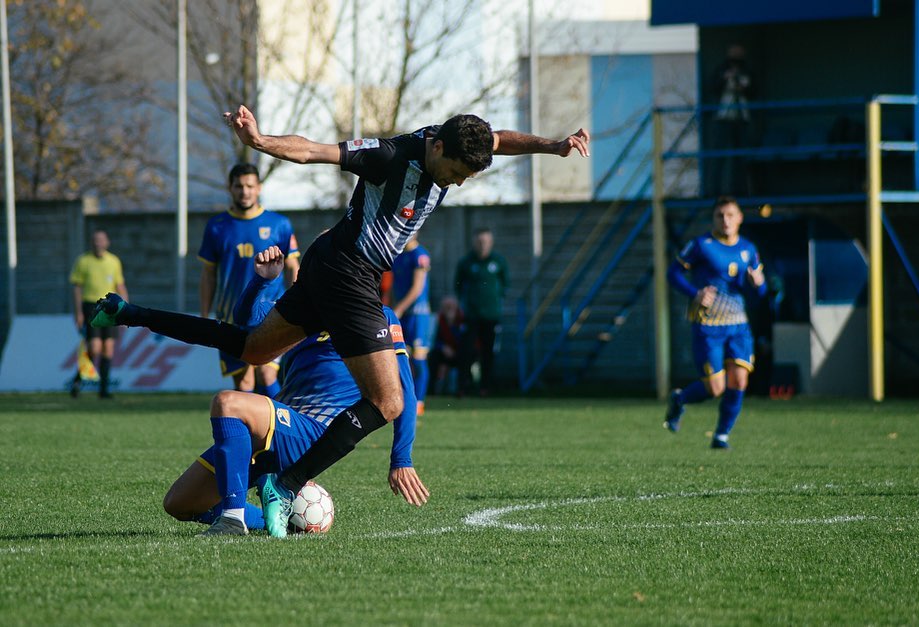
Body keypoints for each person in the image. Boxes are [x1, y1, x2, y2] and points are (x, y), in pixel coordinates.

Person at [92, 103, 589, 537]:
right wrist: (260, 141)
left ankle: (133, 315)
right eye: (457, 172)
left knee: (251, 349)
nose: (458, 183)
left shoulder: (458, 137)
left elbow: (498, 140)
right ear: (437, 148)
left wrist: (555, 146)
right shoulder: (390, 156)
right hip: (350, 273)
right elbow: (314, 151)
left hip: (329, 264)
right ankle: (283, 486)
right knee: (389, 400)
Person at [163, 246, 427, 536]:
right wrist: (261, 281)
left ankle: (233, 517)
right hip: (276, 424)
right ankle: (279, 518)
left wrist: (401, 458)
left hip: (311, 432)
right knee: (179, 503)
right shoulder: (298, 314)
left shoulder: (378, 316)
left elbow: (404, 392)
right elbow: (246, 318)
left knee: (228, 402)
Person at [663, 196, 766, 449]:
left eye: (730, 215)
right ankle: (680, 399)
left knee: (740, 381)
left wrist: (759, 284)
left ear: (740, 218)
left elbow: (760, 292)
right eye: (720, 215)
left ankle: (721, 435)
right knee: (715, 388)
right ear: (714, 219)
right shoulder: (701, 245)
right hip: (708, 325)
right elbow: (672, 273)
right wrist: (695, 293)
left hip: (738, 325)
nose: (725, 220)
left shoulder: (749, 250)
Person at [199, 163, 301, 398]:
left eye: (249, 186)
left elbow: (293, 267)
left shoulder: (280, 224)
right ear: (230, 188)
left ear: (259, 188)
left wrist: (297, 304)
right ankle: (250, 433)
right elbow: (208, 274)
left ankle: (280, 429)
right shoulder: (216, 227)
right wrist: (205, 315)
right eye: (239, 186)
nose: (244, 191)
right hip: (231, 315)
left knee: (267, 374)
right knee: (243, 382)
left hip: (272, 312)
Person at [68, 230, 129, 399]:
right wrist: (78, 312)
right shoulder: (83, 261)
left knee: (108, 350)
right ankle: (77, 381)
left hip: (110, 307)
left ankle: (103, 390)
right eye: (95, 240)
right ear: (91, 242)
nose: (98, 243)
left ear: (107, 242)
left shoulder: (114, 261)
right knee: (94, 348)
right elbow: (77, 288)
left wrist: (127, 311)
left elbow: (120, 285)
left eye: (101, 240)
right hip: (91, 307)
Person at [454, 227, 509, 396]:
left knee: (488, 353)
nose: (482, 245)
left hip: (491, 316)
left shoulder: (498, 261)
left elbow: (505, 285)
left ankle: (485, 388)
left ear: (491, 242)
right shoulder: (466, 262)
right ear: (474, 242)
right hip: (471, 316)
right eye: (479, 241)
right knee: (466, 352)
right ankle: (463, 387)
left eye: (485, 241)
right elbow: (457, 285)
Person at [391, 236, 432, 415]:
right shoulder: (397, 256)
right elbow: (393, 287)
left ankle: (419, 402)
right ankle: (405, 399)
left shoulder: (420, 255)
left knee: (418, 358)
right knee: (400, 358)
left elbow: (417, 288)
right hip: (402, 314)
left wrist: (398, 309)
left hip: (418, 315)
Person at [709, 44, 754, 196]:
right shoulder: (721, 71)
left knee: (741, 157)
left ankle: (741, 190)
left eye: (739, 52)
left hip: (742, 117)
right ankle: (714, 191)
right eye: (733, 52)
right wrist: (725, 79)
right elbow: (713, 87)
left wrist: (742, 86)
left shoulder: (747, 72)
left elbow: (753, 91)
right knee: (718, 156)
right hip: (724, 117)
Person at [428, 295, 464, 395]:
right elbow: (432, 340)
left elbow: (464, 340)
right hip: (442, 352)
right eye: (447, 307)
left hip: (458, 352)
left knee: (465, 356)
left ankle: (461, 390)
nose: (449, 310)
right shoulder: (437, 320)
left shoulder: (462, 320)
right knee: (434, 357)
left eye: (451, 307)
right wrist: (443, 347)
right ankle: (433, 390)